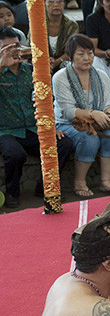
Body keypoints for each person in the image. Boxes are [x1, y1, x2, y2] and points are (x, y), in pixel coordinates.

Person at [0, 29, 73, 209]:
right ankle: (12, 192)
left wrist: (50, 126)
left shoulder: (31, 70)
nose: (12, 51)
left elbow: (48, 100)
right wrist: (1, 65)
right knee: (14, 153)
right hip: (6, 131)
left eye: (16, 46)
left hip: (34, 128)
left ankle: (46, 188)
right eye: (5, 47)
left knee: (64, 144)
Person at [53, 34, 110, 199]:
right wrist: (93, 113)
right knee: (89, 138)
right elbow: (68, 112)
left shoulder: (101, 75)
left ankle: (106, 181)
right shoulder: (61, 77)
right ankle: (79, 182)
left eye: (90, 53)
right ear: (71, 56)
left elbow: (109, 103)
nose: (87, 58)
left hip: (97, 121)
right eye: (81, 54)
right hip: (67, 123)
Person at [44, 0, 79, 75]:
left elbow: (72, 50)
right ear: (44, 4)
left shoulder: (72, 25)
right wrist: (46, 61)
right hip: (42, 62)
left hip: (63, 63)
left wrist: (56, 62)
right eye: (51, 1)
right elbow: (31, 48)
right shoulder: (38, 25)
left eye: (60, 1)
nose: (56, 4)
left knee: (68, 65)